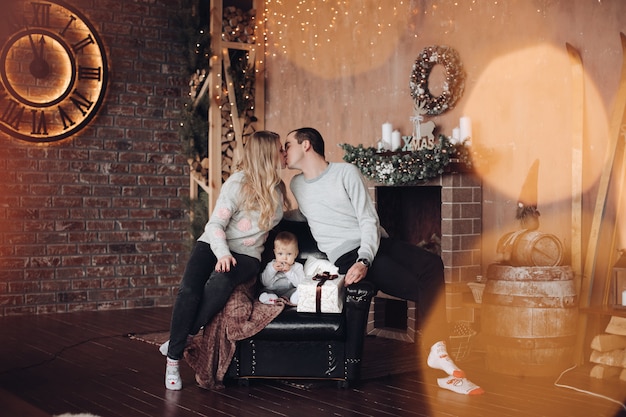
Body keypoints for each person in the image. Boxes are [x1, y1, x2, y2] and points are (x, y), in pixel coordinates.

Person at [283, 127, 484, 395]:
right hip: (346, 255)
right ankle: (438, 354)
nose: (284, 152)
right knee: (419, 286)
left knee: (433, 265)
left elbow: (368, 219)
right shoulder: (297, 184)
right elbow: (307, 215)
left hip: (374, 246)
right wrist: (272, 217)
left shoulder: (346, 173)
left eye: (287, 145)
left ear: (306, 145)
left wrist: (365, 258)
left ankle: (437, 348)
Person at [161, 130, 288, 390]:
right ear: (267, 154)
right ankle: (173, 360)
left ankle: (182, 337)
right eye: (280, 149)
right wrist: (222, 253)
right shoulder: (238, 183)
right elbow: (216, 223)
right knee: (188, 290)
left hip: (247, 256)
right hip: (214, 243)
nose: (284, 153)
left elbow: (283, 220)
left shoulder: (278, 188)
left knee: (221, 281)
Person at [259, 231, 305, 305]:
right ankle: (272, 299)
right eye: (280, 254)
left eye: (289, 254)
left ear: (295, 254)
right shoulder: (271, 265)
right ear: (275, 253)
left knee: (300, 290)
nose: (284, 258)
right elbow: (265, 282)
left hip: (288, 292)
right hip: (271, 290)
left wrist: (289, 271)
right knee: (264, 292)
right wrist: (273, 269)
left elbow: (300, 283)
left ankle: (294, 299)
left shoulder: (298, 266)